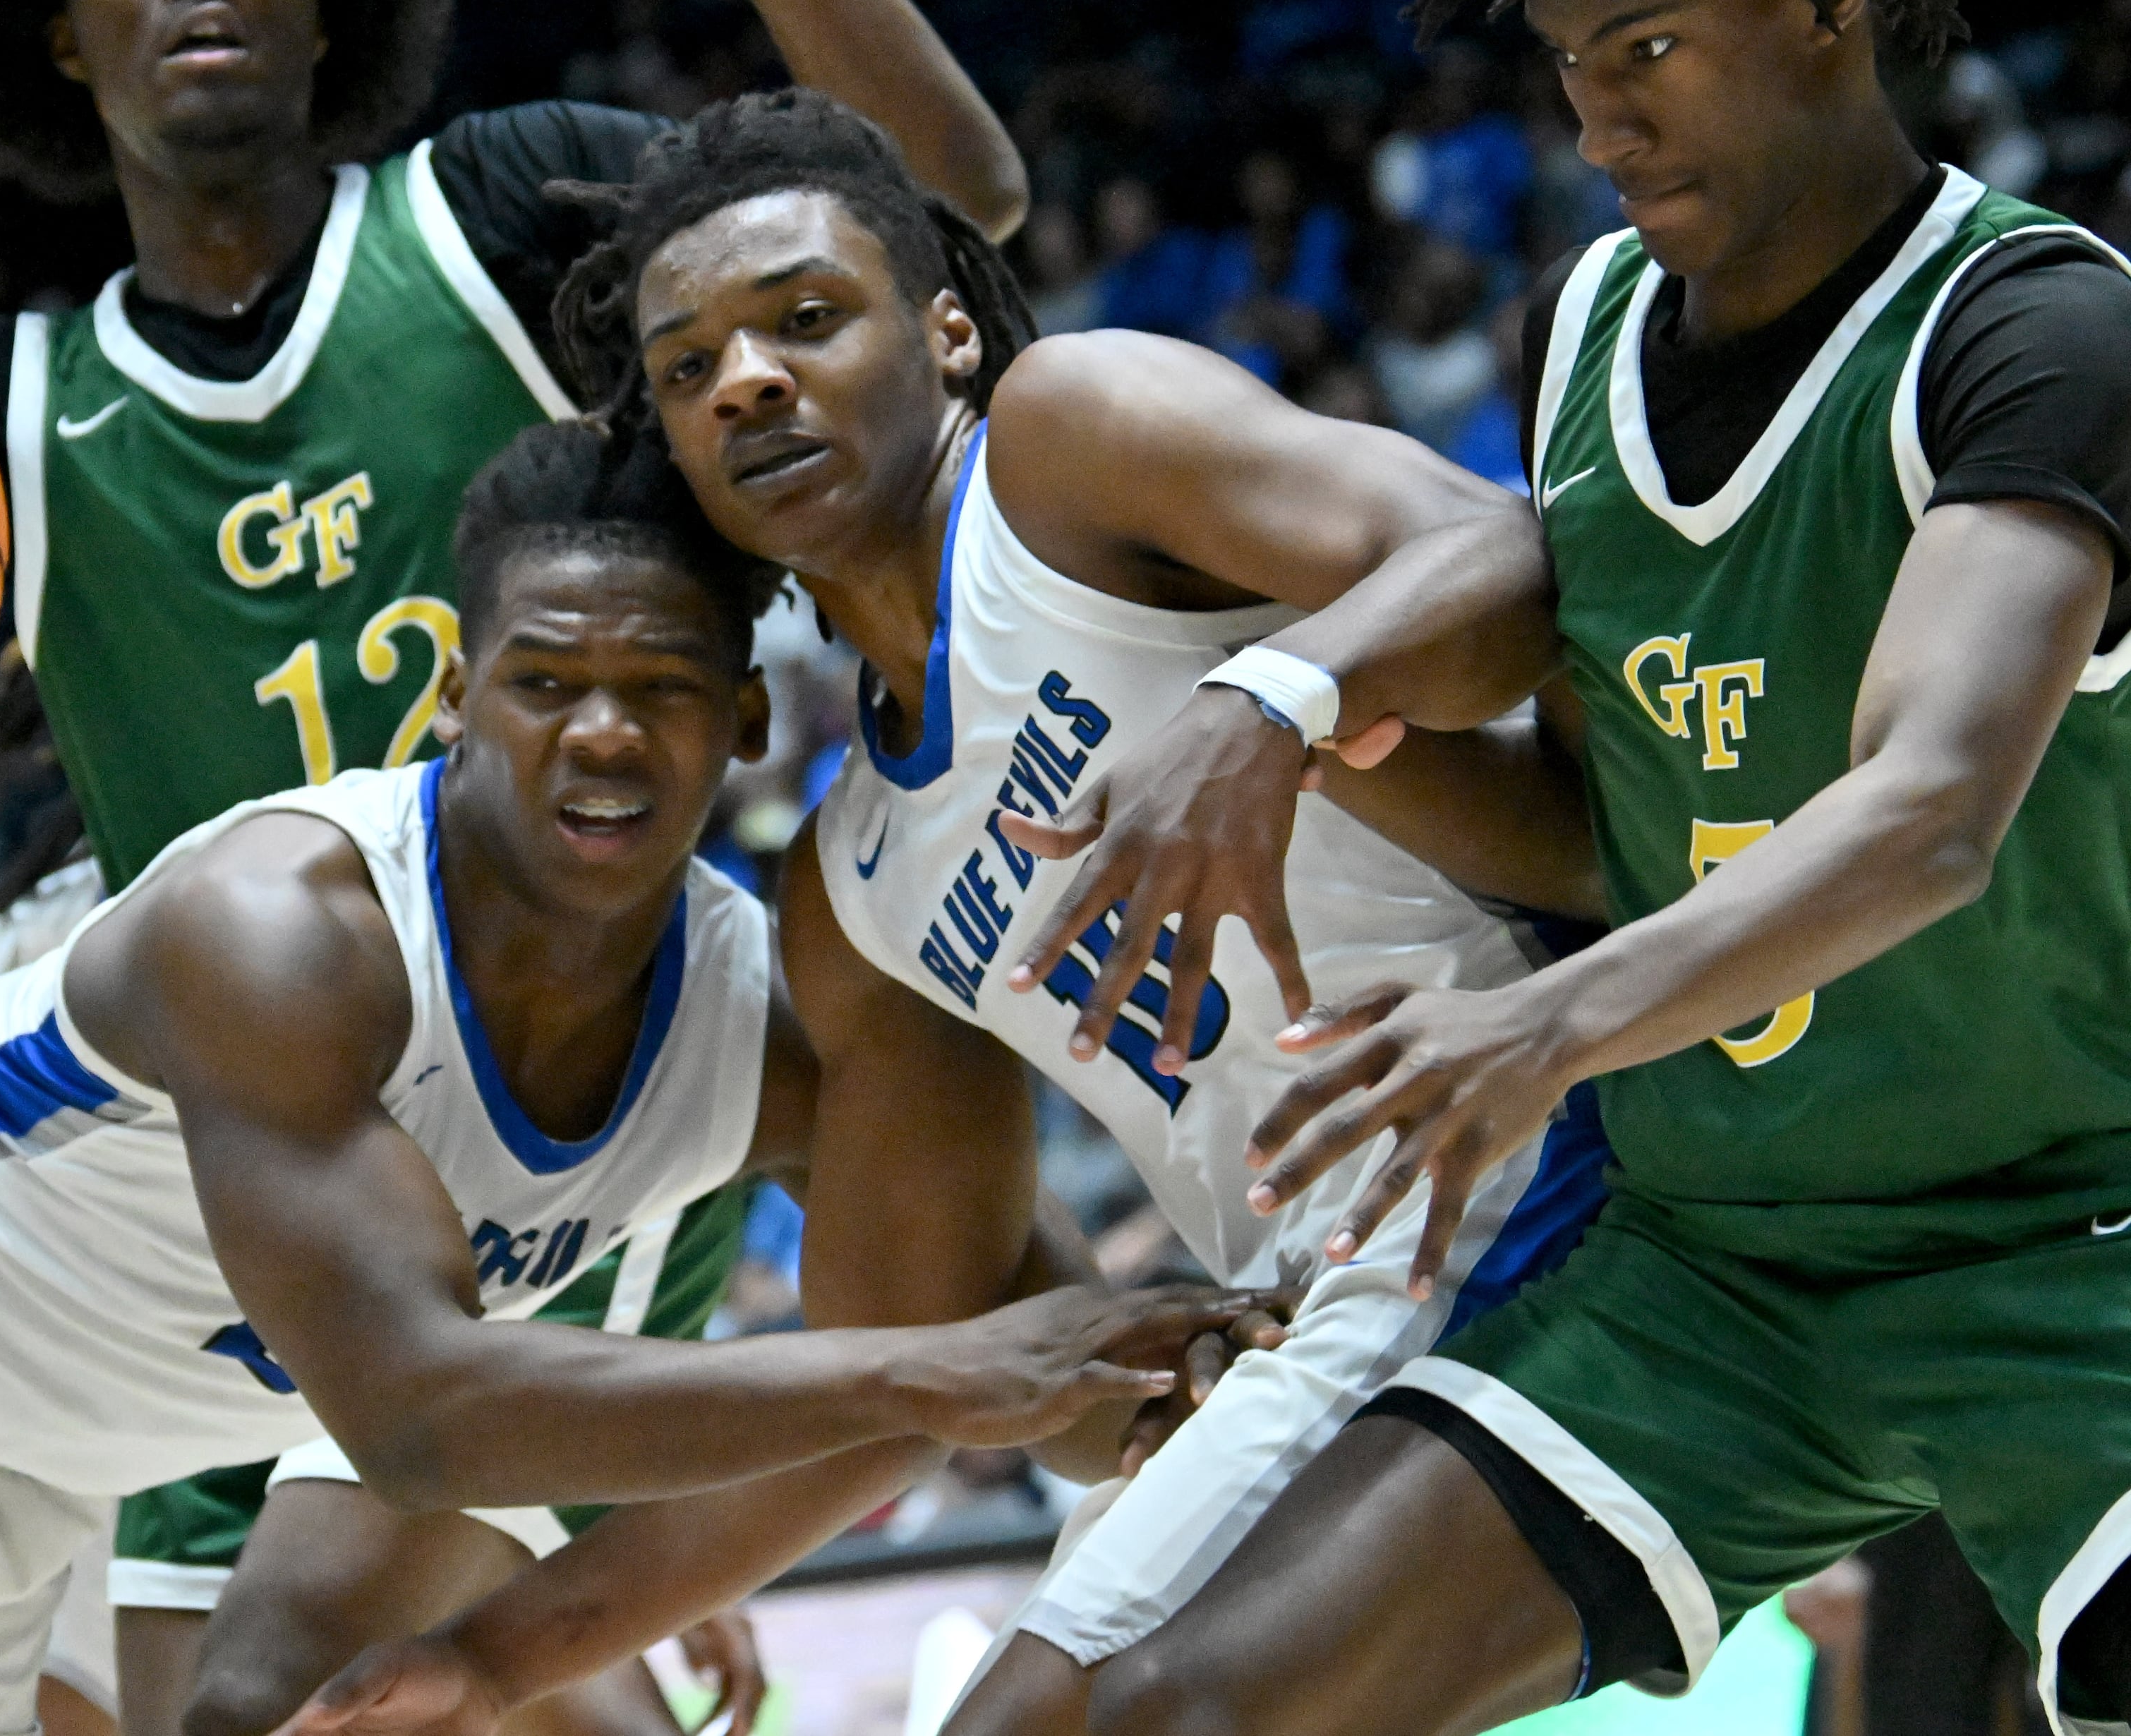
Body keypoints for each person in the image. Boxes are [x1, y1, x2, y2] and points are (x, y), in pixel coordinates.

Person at [0, 0, 1029, 1723]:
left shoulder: (489, 226)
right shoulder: (18, 411)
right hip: (218, 1198)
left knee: (306, 1690)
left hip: (539, 1132)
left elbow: (943, 210)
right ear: (58, 37)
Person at [0, 435, 1229, 1736]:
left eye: (662, 688)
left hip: (0, 1525)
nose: (601, 731)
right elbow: (427, 1419)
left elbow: (1016, 1358)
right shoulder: (283, 931)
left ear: (746, 721)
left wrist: (1216, 1373)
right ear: (457, 698)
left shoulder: (753, 1029)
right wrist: (941, 1372)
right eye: (546, 683)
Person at [855, 0, 2131, 1728]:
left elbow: (1928, 813)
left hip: (2065, 1241)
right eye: (1569, 66)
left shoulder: (2039, 328)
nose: (1598, 123)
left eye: (1649, 51)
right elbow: (1591, 810)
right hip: (1721, 1280)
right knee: (1169, 1713)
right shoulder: (1587, 325)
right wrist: (1272, 710)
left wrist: (1535, 1025)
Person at [255, 86, 1614, 1736]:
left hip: (1542, 1152)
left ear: (951, 331)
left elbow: (1504, 569)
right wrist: (500, 1657)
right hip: (1328, 1292)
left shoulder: (1071, 441)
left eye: (806, 321)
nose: (747, 377)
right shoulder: (850, 891)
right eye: (689, 370)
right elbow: (904, 1373)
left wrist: (1266, 702)